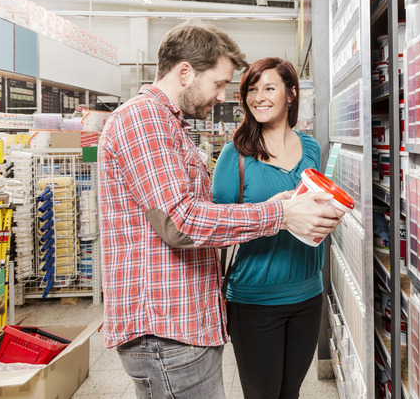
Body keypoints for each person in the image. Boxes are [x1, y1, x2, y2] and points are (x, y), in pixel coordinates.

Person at [98, 22, 343, 399]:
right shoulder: (143, 120)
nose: (224, 95)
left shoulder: (169, 125)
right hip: (166, 328)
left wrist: (279, 207)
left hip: (184, 323)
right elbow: (182, 222)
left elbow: (197, 212)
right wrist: (279, 215)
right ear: (185, 73)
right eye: (219, 83)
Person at [212, 57, 330, 399]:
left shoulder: (310, 148)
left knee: (290, 392)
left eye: (269, 88)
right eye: (252, 89)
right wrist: (271, 212)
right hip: (255, 301)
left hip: (308, 295)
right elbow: (218, 225)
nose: (258, 97)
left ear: (291, 95)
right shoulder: (236, 156)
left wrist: (327, 216)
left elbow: (314, 207)